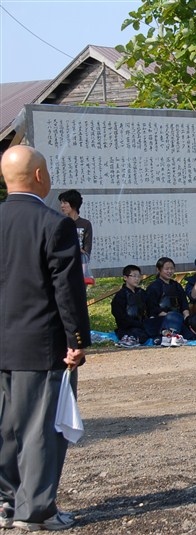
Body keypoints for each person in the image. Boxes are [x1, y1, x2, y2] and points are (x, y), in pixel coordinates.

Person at [0, 145, 91, 531]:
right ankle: (36, 509)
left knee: (5, 426)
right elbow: (66, 291)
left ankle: (6, 502)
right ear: (39, 176)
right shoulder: (55, 224)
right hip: (40, 342)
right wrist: (77, 338)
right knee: (40, 428)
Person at [145, 257, 190, 347]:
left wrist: (187, 317)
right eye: (166, 269)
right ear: (159, 270)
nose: (170, 271)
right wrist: (169, 316)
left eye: (172, 269)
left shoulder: (177, 286)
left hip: (178, 318)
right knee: (172, 318)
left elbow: (184, 304)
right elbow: (152, 308)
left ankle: (173, 335)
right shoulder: (154, 287)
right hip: (161, 319)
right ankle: (168, 336)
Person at [58, 189, 93, 285]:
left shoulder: (85, 223)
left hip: (80, 266)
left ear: (73, 204)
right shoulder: (60, 223)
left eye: (65, 203)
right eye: (61, 203)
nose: (62, 206)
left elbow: (87, 248)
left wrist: (82, 252)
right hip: (64, 266)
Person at [110, 265, 150, 348]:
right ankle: (128, 339)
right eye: (134, 276)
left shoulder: (142, 293)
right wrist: (136, 324)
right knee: (139, 335)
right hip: (127, 327)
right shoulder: (120, 295)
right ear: (125, 277)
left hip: (143, 324)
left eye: (138, 276)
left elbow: (149, 308)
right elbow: (119, 316)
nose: (137, 279)